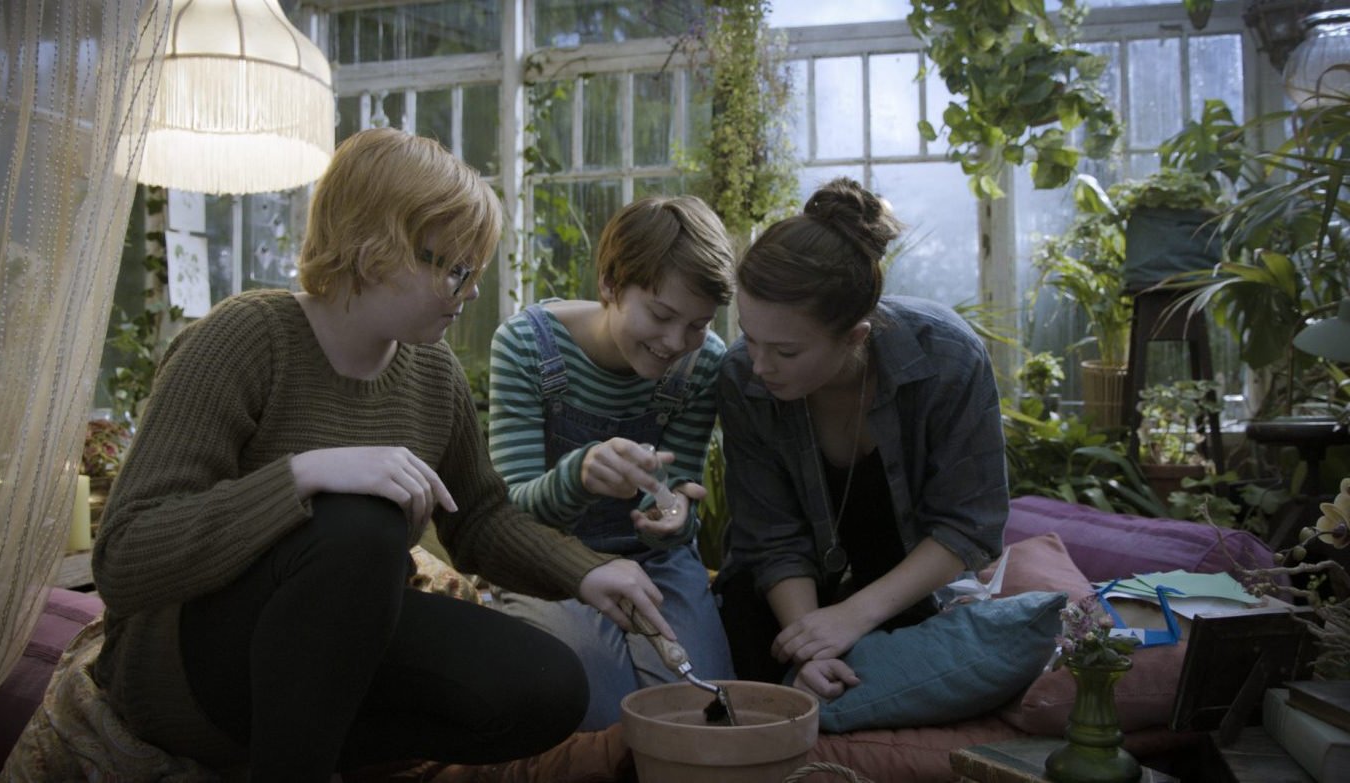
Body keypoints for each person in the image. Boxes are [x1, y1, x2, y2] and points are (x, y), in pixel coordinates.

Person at [91, 128, 676, 782]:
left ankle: (308, 750)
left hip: (329, 654)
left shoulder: (432, 372)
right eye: (456, 270)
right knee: (358, 521)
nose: (470, 292)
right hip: (187, 670)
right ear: (375, 251)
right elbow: (125, 553)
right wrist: (304, 475)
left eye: (475, 272)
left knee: (549, 686)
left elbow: (479, 519)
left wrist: (586, 573)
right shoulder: (247, 339)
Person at [712, 177, 1008, 700]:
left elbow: (969, 524)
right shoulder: (741, 376)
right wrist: (810, 643)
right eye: (749, 337)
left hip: (906, 585)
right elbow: (770, 536)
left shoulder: (947, 358)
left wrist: (853, 615)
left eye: (785, 351)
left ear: (855, 337)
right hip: (782, 594)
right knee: (757, 677)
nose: (759, 366)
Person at [487, 195, 736, 730]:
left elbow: (679, 494)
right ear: (609, 284)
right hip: (548, 555)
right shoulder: (526, 346)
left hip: (654, 561)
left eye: (698, 323)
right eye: (661, 315)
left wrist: (675, 517)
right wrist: (578, 477)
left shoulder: (703, 361)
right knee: (595, 708)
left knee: (700, 711)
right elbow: (508, 517)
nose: (676, 342)